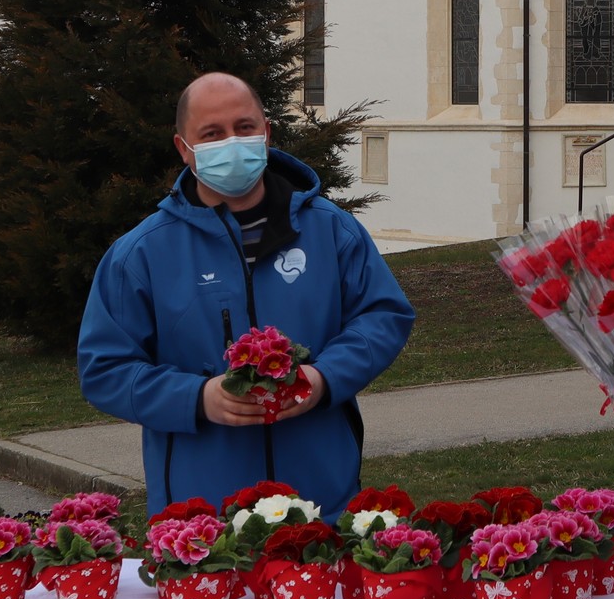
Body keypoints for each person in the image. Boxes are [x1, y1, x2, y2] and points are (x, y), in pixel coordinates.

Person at [77, 72, 415, 516]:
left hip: (323, 503)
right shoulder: (140, 254)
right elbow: (105, 370)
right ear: (184, 149)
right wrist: (197, 398)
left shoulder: (331, 230)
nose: (232, 143)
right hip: (201, 518)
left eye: (244, 128)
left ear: (267, 132)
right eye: (212, 134)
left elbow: (383, 316)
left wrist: (325, 378)